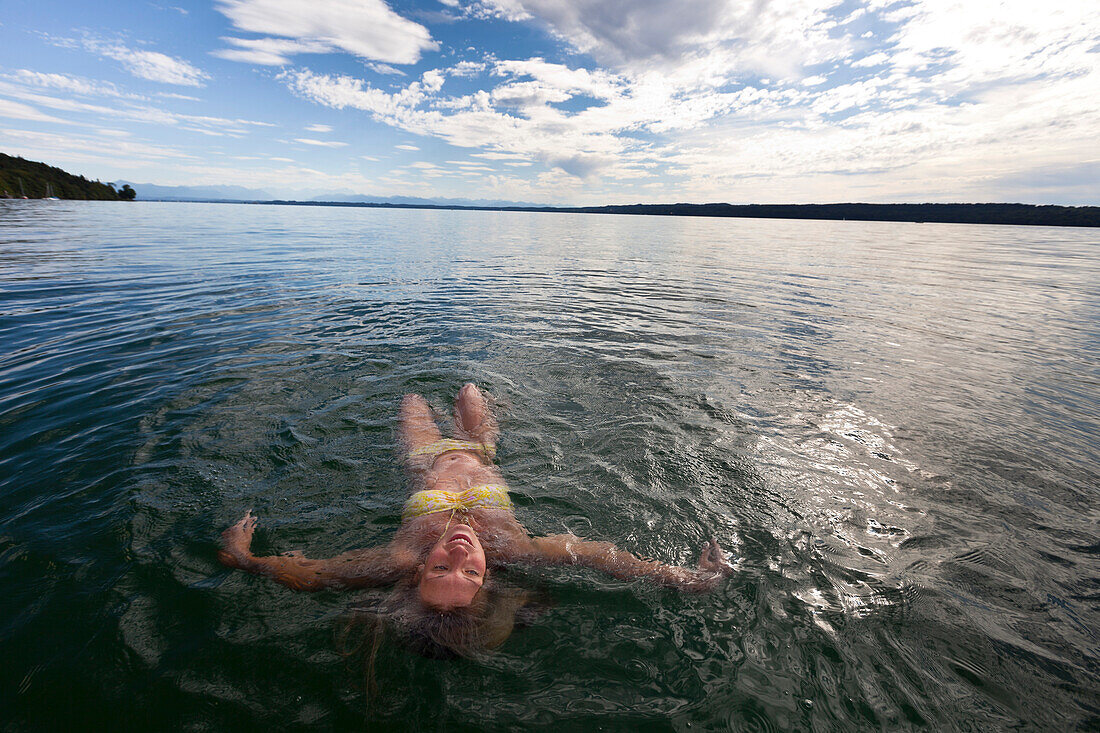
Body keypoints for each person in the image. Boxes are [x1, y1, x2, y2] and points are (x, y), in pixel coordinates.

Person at [219, 384, 734, 656]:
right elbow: (603, 558)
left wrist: (245, 558)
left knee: (412, 400)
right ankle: (490, 410)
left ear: (417, 575)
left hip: (425, 460)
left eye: (441, 570)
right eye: (469, 573)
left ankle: (469, 407)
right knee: (468, 391)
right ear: (488, 578)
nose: (460, 555)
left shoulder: (399, 556)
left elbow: (313, 576)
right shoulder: (516, 550)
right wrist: (688, 579)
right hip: (480, 451)